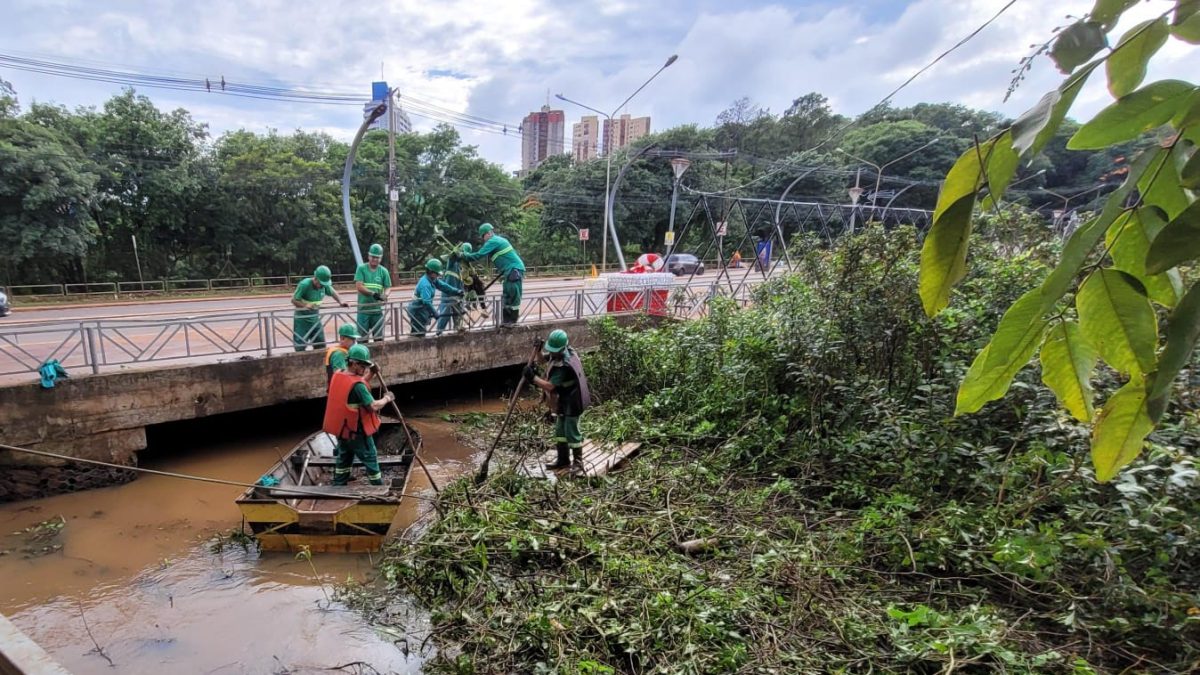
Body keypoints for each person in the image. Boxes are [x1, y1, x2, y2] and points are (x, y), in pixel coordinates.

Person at [322, 344, 394, 486]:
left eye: (367, 367)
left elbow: (356, 384)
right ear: (354, 363)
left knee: (344, 456)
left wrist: (371, 373)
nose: (364, 369)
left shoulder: (339, 375)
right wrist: (387, 398)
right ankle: (377, 486)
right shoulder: (358, 386)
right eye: (363, 366)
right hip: (358, 432)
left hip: (343, 430)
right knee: (370, 457)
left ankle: (339, 483)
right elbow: (372, 405)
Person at [527, 329, 591, 474]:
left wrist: (533, 378)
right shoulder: (561, 353)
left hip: (573, 400)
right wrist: (538, 350)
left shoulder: (564, 365)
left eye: (553, 351)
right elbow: (543, 360)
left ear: (561, 349)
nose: (552, 353)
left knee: (571, 431)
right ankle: (563, 460)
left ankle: (578, 463)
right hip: (563, 398)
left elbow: (550, 386)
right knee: (560, 430)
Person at [461, 222, 525, 325]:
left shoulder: (493, 241)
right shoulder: (498, 240)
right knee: (507, 295)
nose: (483, 239)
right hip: (508, 271)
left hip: (514, 270)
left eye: (483, 236)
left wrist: (465, 255)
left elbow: (478, 255)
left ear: (487, 234)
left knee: (513, 294)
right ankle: (506, 321)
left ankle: (512, 321)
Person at [292, 265, 349, 352]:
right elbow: (294, 300)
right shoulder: (305, 285)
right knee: (300, 347)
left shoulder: (324, 285)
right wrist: (305, 305)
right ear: (315, 278)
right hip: (302, 321)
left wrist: (341, 301)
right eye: (321, 284)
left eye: (324, 284)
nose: (322, 286)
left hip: (315, 320)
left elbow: (333, 292)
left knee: (320, 345)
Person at [407, 258, 463, 337]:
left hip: (422, 309)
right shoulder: (425, 284)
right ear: (432, 272)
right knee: (419, 333)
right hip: (417, 310)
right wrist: (435, 313)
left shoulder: (432, 279)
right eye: (437, 273)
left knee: (421, 331)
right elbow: (426, 302)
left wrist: (457, 291)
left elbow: (443, 286)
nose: (438, 275)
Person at [354, 243, 392, 342]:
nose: (375, 259)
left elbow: (388, 287)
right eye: (373, 257)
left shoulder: (384, 271)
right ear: (368, 256)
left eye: (377, 257)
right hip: (363, 310)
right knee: (362, 339)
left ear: (381, 258)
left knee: (379, 339)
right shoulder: (361, 269)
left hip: (377, 311)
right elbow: (359, 286)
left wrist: (385, 295)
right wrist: (373, 294)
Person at [435, 244, 468, 336]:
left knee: (458, 313)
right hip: (448, 295)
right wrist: (456, 252)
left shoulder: (461, 268)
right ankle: (439, 331)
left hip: (457, 294)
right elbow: (452, 258)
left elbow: (461, 282)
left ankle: (458, 328)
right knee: (445, 313)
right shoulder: (453, 264)